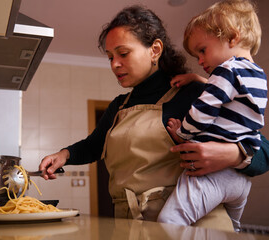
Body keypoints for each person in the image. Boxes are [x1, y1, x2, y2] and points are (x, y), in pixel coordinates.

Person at [39, 5, 269, 231]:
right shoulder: (120, 106)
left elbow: (263, 149)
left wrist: (233, 155)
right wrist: (64, 155)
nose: (114, 64)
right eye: (110, 57)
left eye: (123, 53)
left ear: (155, 50)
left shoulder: (192, 93)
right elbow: (94, 145)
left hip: (197, 228)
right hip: (131, 227)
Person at [156, 0, 267, 231]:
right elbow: (232, 96)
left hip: (213, 176)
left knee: (167, 223)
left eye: (202, 50)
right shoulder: (259, 75)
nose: (200, 61)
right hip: (241, 182)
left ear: (232, 37)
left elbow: (202, 112)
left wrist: (182, 132)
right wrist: (198, 80)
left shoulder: (225, 70)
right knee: (233, 229)